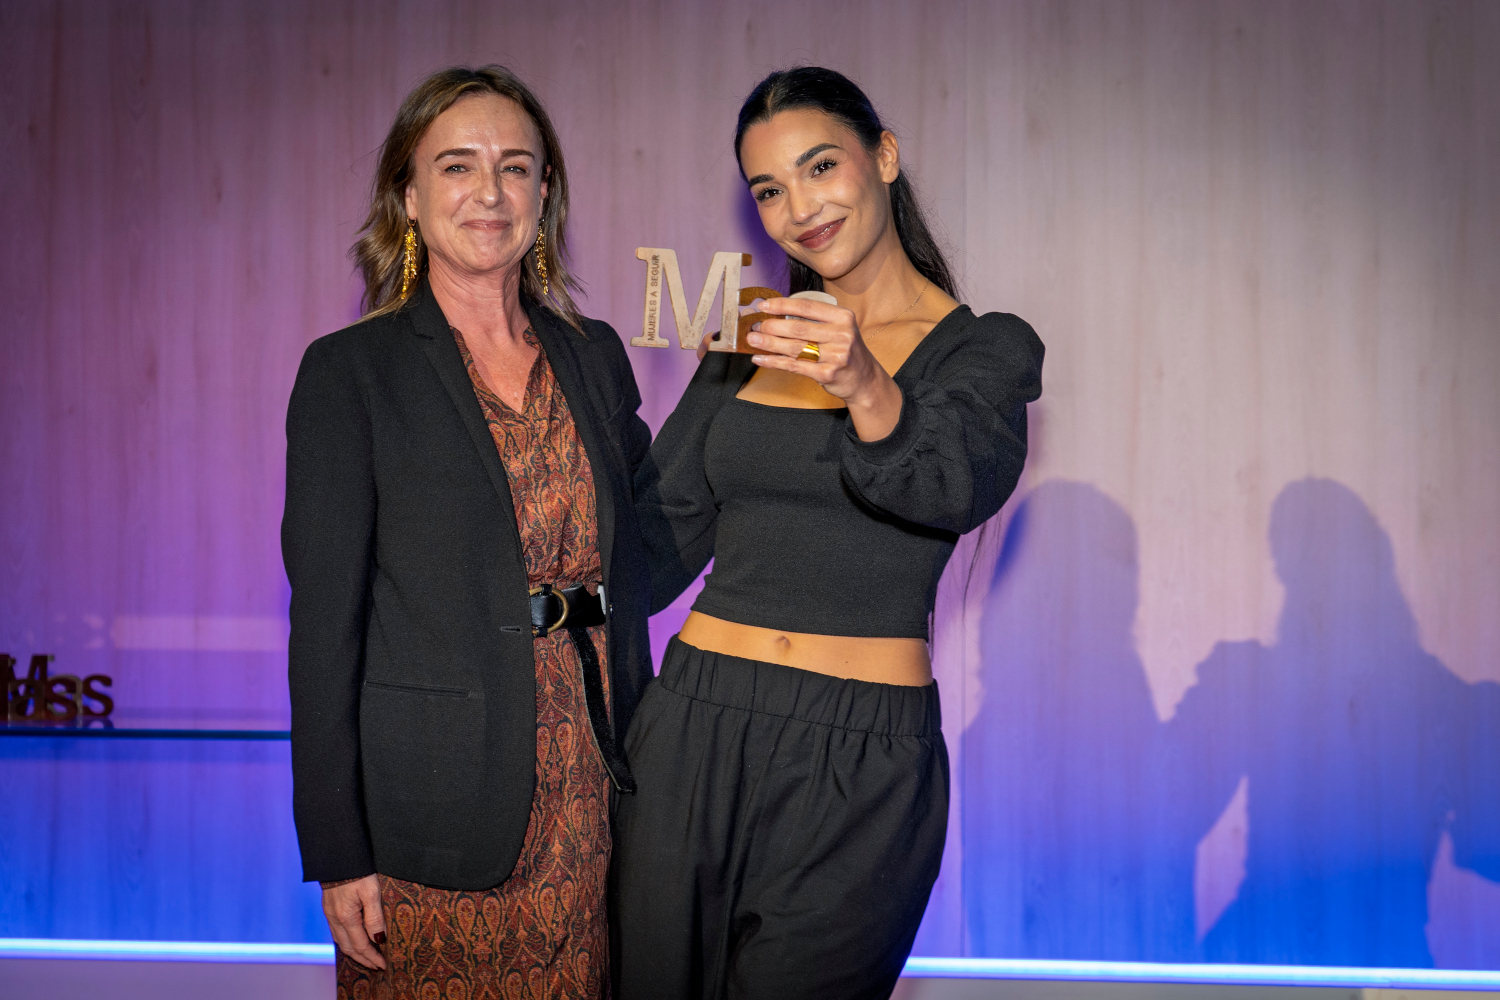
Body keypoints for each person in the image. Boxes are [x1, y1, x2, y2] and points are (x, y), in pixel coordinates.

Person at [614, 67, 1045, 999]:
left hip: (859, 762)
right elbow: (659, 539)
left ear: (883, 157)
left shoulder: (984, 350)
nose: (798, 207)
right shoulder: (749, 334)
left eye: (820, 167)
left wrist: (865, 386)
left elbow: (954, 485)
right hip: (691, 725)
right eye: (769, 189)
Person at [283, 65, 653, 1000]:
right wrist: (337, 850)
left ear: (544, 195)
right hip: (432, 820)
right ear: (408, 196)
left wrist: (765, 403)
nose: (490, 191)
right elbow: (324, 629)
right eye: (457, 165)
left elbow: (653, 531)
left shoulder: (595, 355)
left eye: (517, 167)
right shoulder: (350, 374)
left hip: (592, 792)